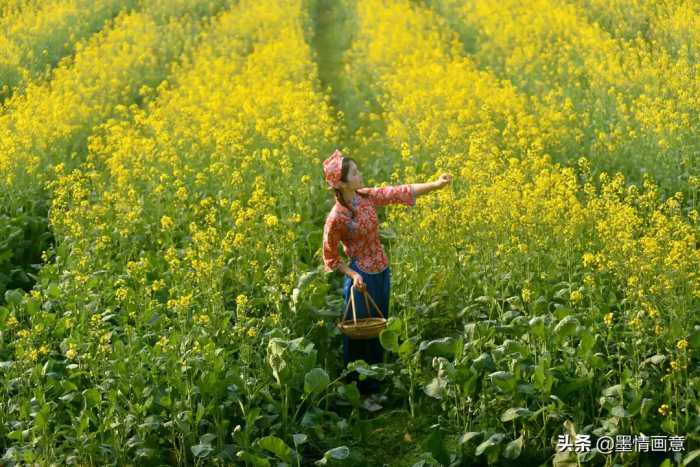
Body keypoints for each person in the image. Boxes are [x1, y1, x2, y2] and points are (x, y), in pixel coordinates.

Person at [321, 148, 452, 397]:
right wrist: (353, 275)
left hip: (381, 271)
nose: (361, 175)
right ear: (341, 183)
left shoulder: (365, 197)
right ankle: (359, 392)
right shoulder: (336, 218)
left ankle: (377, 384)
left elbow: (399, 192)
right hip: (361, 278)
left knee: (378, 329)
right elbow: (330, 258)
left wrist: (436, 185)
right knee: (361, 336)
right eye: (355, 173)